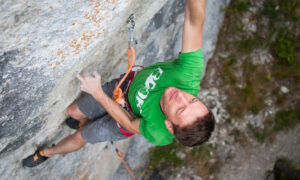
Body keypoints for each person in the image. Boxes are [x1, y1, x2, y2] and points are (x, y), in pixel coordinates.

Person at [23, 0, 215, 167]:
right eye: (192, 100)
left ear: (170, 126)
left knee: (81, 136)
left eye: (180, 109)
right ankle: (83, 120)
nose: (181, 96)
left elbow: (130, 122)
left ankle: (46, 153)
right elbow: (194, 20)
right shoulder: (188, 74)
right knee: (72, 112)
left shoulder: (159, 133)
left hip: (124, 121)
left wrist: (98, 93)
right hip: (125, 88)